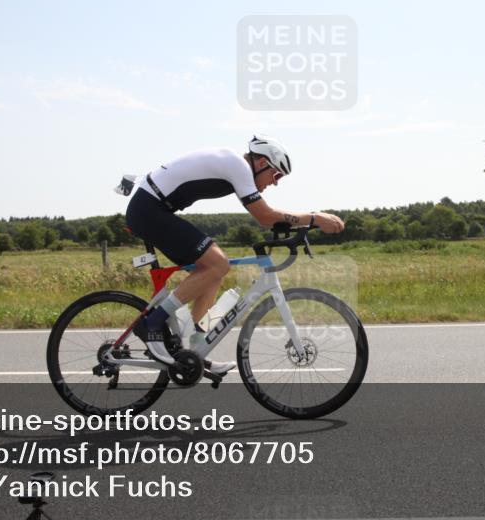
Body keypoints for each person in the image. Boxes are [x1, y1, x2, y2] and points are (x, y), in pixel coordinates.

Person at [125, 135, 346, 370]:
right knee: (218, 264)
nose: (275, 183)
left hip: (153, 208)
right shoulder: (238, 166)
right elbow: (264, 216)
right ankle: (153, 322)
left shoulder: (235, 166)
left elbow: (267, 218)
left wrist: (301, 224)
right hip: (148, 210)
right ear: (261, 163)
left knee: (212, 271)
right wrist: (314, 218)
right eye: (276, 175)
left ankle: (195, 351)